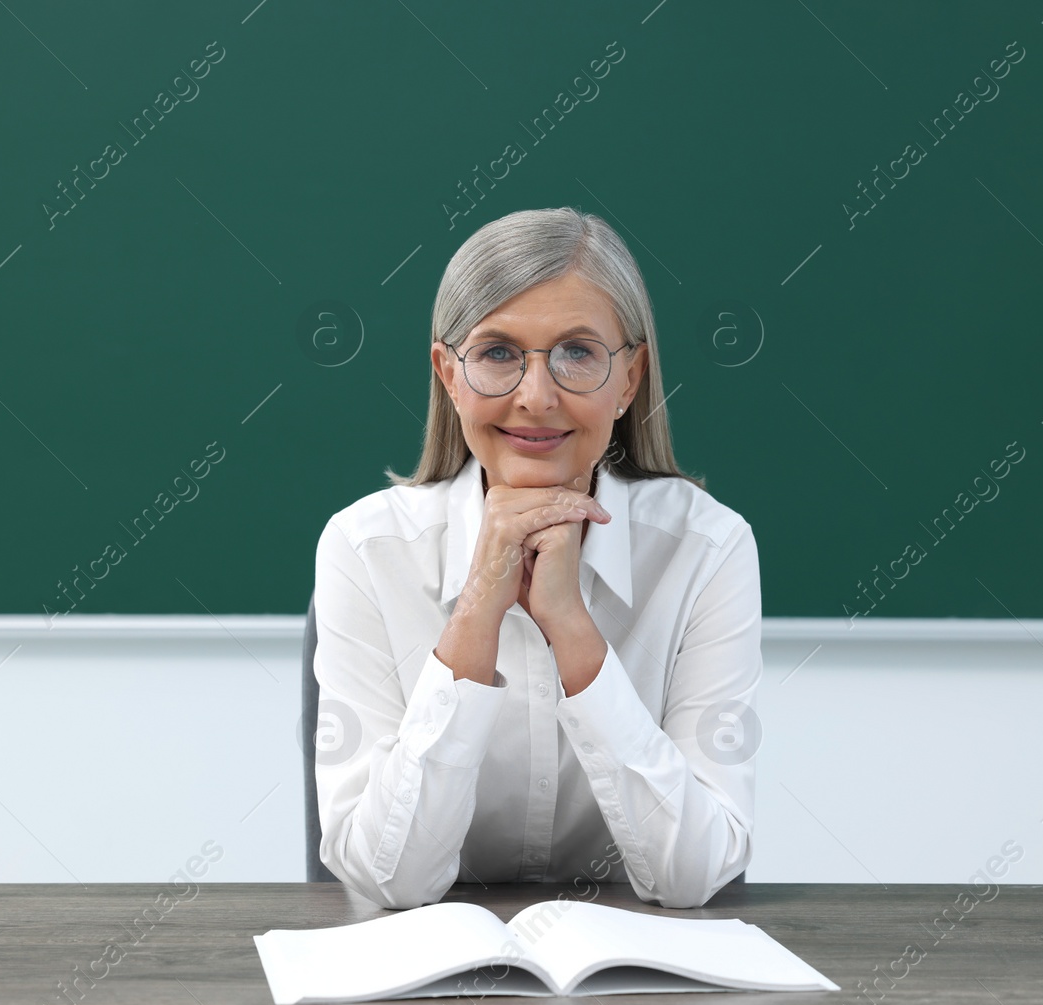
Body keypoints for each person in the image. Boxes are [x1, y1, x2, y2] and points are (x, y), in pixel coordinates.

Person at [312, 206, 762, 909]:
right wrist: (477, 610)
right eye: (497, 353)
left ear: (631, 378)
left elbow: (692, 873)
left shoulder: (707, 549)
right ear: (448, 374)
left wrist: (572, 629)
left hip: (641, 987)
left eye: (577, 352)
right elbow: (385, 877)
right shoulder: (365, 549)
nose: (536, 397)